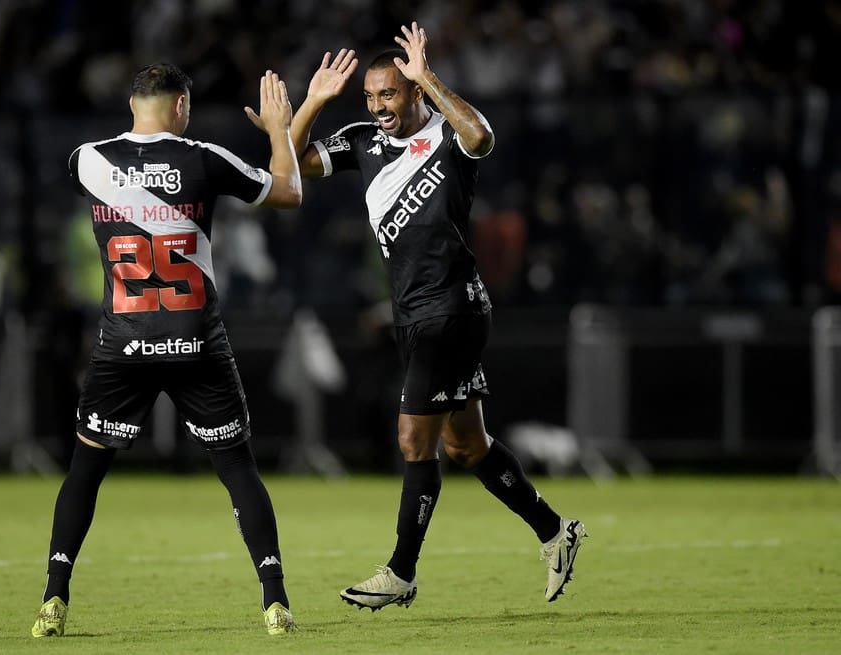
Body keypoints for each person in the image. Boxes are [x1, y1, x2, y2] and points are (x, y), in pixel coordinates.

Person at [287, 22, 588, 610]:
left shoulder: (448, 134)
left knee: (412, 437)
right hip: (413, 313)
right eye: (370, 96)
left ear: (413, 92)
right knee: (467, 445)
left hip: (452, 309)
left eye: (389, 93)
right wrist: (314, 101)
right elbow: (291, 162)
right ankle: (556, 531)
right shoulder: (361, 142)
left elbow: (483, 136)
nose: (379, 107)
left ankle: (401, 572)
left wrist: (428, 75)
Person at [31, 62, 301, 638]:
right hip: (196, 341)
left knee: (85, 471)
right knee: (237, 469)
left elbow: (93, 173)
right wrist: (279, 129)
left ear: (132, 104)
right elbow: (289, 191)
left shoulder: (87, 160)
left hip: (122, 345)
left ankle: (53, 597)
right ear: (181, 106)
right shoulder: (206, 159)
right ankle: (275, 601)